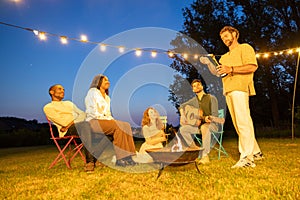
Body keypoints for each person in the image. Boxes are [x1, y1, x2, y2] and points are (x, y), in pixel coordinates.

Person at [200, 26, 263, 168]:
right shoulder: (224, 57)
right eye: (222, 38)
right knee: (239, 123)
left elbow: (252, 66)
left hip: (240, 87)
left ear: (234, 34)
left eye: (227, 36)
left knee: (243, 122)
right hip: (228, 90)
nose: (224, 39)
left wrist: (232, 69)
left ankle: (247, 158)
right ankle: (256, 152)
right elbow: (218, 73)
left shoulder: (245, 48)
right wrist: (208, 63)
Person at [43, 84, 101, 172]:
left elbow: (83, 114)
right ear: (51, 92)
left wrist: (69, 123)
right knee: (85, 125)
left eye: (63, 89)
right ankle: (90, 162)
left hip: (78, 126)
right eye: (59, 89)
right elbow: (63, 122)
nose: (63, 91)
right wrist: (73, 121)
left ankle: (97, 159)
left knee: (100, 127)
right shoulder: (48, 107)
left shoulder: (68, 103)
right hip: (66, 131)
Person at [85, 74, 137, 167]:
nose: (107, 81)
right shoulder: (92, 92)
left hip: (105, 121)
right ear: (98, 82)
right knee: (117, 126)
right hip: (94, 121)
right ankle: (120, 158)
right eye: (105, 80)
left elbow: (108, 114)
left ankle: (128, 157)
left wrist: (111, 120)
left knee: (126, 125)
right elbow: (92, 111)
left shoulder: (107, 97)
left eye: (108, 80)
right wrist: (109, 120)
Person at [179, 79, 219, 164]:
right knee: (183, 129)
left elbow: (215, 116)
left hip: (212, 125)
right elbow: (181, 106)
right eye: (194, 86)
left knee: (205, 127)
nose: (196, 87)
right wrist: (182, 116)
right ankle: (195, 150)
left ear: (202, 86)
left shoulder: (211, 98)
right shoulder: (194, 100)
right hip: (199, 126)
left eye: (198, 85)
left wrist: (206, 118)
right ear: (193, 90)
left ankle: (205, 156)